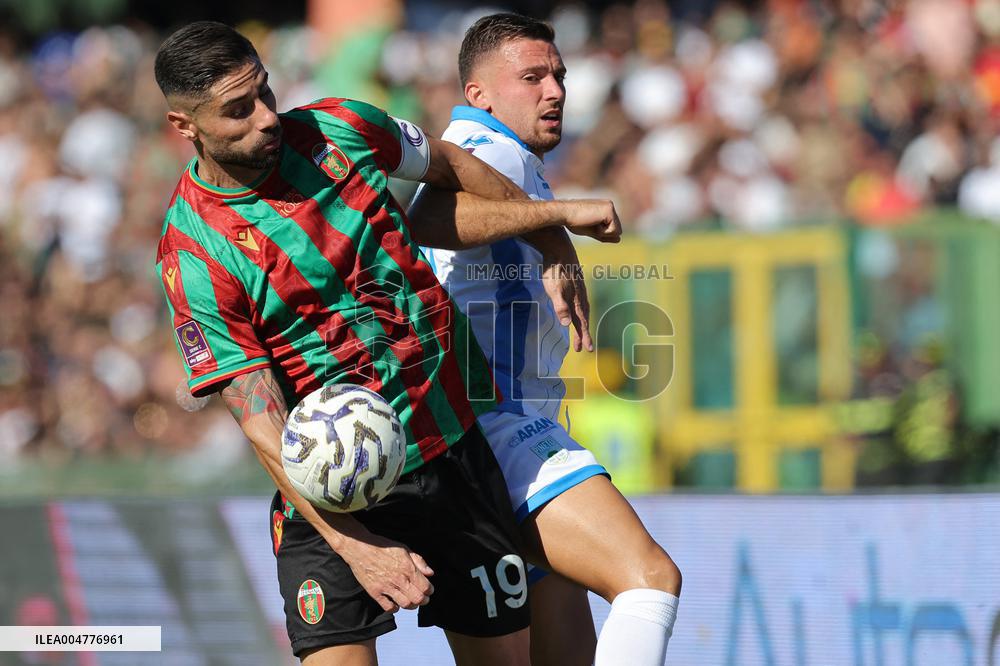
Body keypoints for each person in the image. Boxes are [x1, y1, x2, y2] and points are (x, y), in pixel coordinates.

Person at [152, 21, 622, 666]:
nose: (265, 117)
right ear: (185, 126)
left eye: (265, 92)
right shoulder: (192, 252)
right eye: (238, 109)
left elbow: (452, 165)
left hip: (452, 453)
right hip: (332, 495)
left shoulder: (341, 126)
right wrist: (355, 546)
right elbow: (259, 418)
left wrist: (549, 235)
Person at [418, 13, 682, 666]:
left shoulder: (505, 157)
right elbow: (428, 216)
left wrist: (548, 232)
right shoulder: (487, 145)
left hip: (487, 430)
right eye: (532, 77)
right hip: (500, 427)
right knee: (649, 580)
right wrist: (557, 225)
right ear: (479, 93)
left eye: (559, 75)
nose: (555, 91)